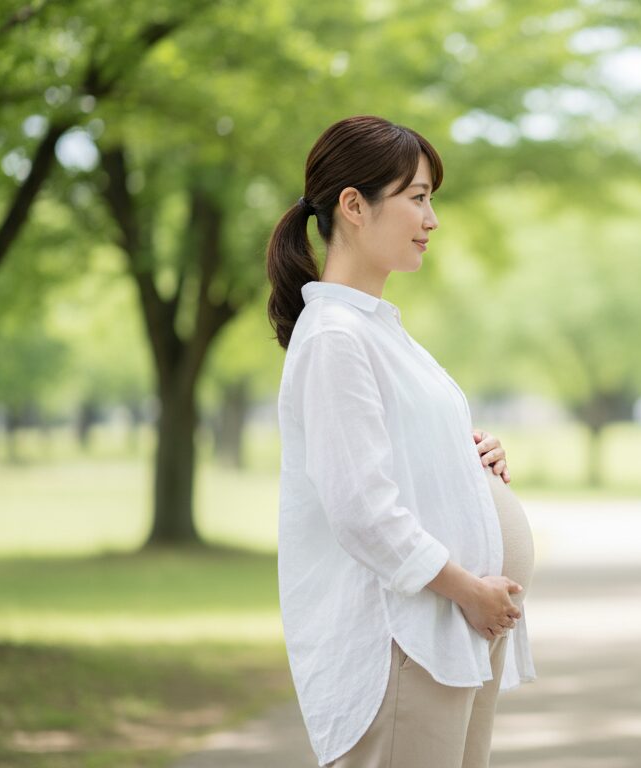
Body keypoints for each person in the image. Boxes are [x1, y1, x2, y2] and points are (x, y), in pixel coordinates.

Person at [265, 114, 536, 768]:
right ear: (354, 206)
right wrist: (469, 590)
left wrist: (477, 461)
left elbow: (407, 460)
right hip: (405, 637)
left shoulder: (380, 330)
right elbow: (361, 509)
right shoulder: (336, 337)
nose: (432, 218)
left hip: (449, 632)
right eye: (417, 197)